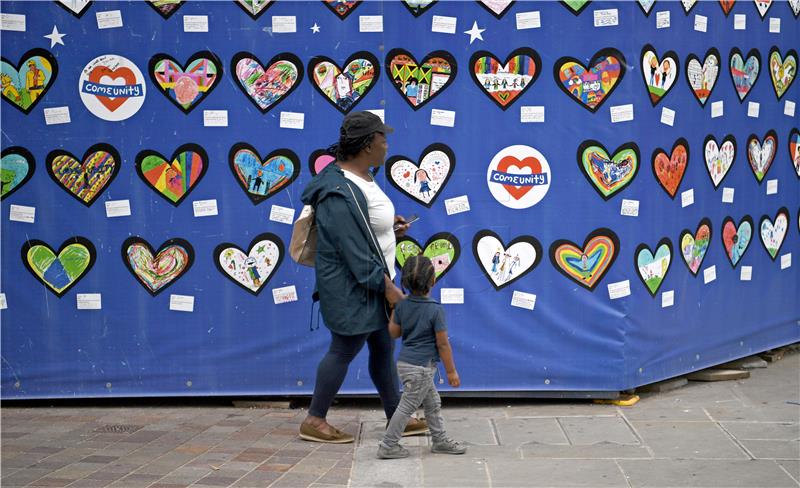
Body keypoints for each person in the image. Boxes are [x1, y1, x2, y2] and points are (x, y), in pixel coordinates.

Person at [299, 111, 428, 443]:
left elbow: (363, 230)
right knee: (343, 348)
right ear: (369, 143)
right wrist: (387, 288)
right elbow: (351, 249)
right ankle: (314, 420)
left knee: (382, 346)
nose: (388, 144)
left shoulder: (361, 178)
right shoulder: (337, 190)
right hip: (353, 285)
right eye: (383, 138)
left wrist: (392, 230)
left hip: (368, 281)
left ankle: (395, 415)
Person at [377, 255, 466, 459]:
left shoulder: (402, 305)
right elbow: (442, 343)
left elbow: (394, 333)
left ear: (405, 282)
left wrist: (395, 310)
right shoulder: (435, 310)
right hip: (422, 369)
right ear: (432, 281)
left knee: (432, 402)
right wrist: (451, 371)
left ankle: (439, 440)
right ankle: (388, 445)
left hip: (406, 364)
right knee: (407, 406)